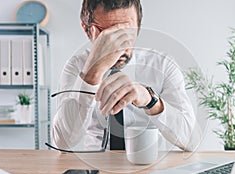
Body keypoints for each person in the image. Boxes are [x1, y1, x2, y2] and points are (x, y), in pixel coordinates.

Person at [52, 0, 200, 151]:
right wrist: (92, 73)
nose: (119, 44)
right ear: (87, 30)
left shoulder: (162, 66)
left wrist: (151, 101)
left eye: (126, 32)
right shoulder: (76, 67)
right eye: (108, 35)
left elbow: (192, 141)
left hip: (150, 164)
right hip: (96, 164)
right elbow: (62, 142)